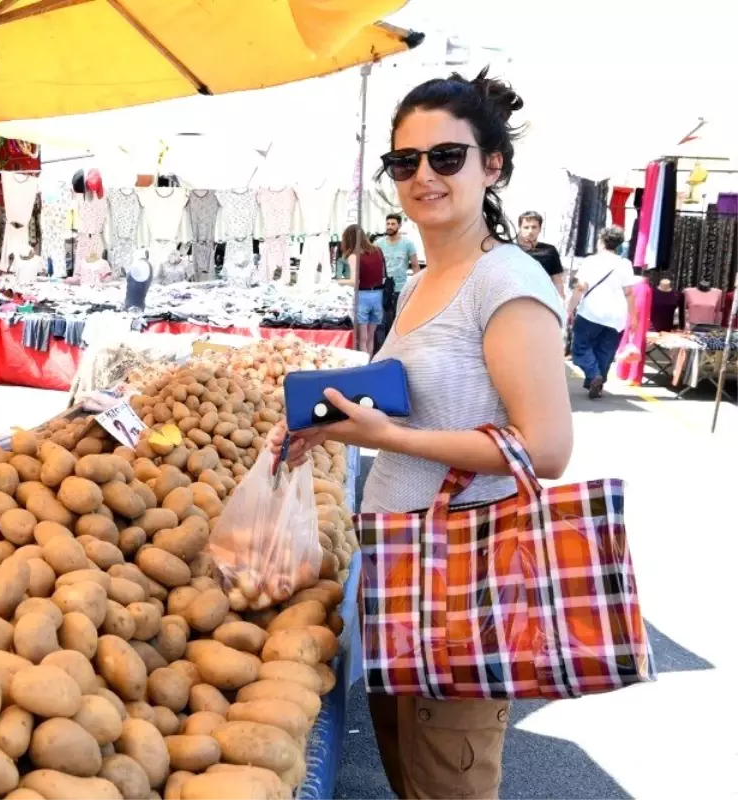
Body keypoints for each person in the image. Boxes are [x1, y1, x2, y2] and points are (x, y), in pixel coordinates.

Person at [271, 69, 572, 799]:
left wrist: (391, 440)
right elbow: (423, 403)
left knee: (446, 779)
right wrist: (336, 425)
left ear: (491, 164)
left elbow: (547, 448)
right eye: (405, 162)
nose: (423, 177)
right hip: (402, 567)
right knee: (412, 773)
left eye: (447, 157)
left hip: (464, 577)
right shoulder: (425, 279)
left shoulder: (506, 282)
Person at [567, 225, 638, 399]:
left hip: (591, 312)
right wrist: (633, 317)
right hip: (616, 316)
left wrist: (569, 308)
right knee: (605, 351)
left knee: (580, 347)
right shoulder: (625, 264)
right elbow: (629, 292)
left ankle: (593, 374)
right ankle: (597, 384)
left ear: (601, 240)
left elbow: (580, 287)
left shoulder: (591, 261)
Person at [338, 224, 387, 356]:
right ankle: (369, 363)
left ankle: (363, 367)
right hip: (378, 296)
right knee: (371, 337)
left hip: (362, 297)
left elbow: (354, 281)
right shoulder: (378, 250)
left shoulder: (354, 256)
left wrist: (338, 282)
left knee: (362, 340)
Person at [375, 213, 420, 349]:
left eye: (393, 224)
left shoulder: (408, 243)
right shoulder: (378, 243)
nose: (389, 226)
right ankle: (383, 349)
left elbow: (415, 265)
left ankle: (398, 348)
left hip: (400, 288)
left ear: (399, 226)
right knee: (381, 322)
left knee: (398, 321)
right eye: (388, 224)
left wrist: (417, 285)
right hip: (382, 288)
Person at [517, 211, 566, 300]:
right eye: (526, 227)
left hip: (542, 300)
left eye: (534, 227)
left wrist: (561, 301)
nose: (530, 231)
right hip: (516, 299)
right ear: (520, 228)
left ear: (540, 229)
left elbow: (557, 280)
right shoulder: (511, 250)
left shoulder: (550, 250)